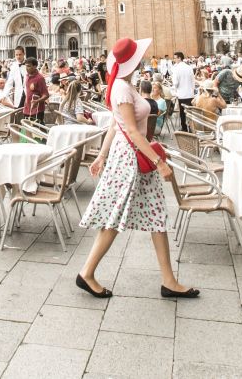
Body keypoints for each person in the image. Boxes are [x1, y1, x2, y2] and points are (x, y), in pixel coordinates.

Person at [77, 37, 197, 300]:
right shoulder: (121, 87)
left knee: (156, 217)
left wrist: (101, 155)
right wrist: (159, 162)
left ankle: (169, 280)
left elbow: (114, 124)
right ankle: (87, 273)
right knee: (114, 217)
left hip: (134, 153)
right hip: (131, 157)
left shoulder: (124, 85)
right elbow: (130, 129)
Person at [170, 52, 196, 132]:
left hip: (182, 94)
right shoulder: (189, 67)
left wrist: (174, 88)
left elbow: (175, 83)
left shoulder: (176, 68)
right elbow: (193, 80)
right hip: (190, 93)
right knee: (190, 113)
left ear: (179, 58)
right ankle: (192, 128)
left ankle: (184, 128)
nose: (174, 60)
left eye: (175, 58)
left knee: (183, 113)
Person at [4, 47, 27, 120]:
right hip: (19, 94)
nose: (18, 57)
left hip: (29, 94)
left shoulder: (29, 64)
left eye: (20, 54)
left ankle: (26, 131)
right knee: (18, 115)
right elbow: (9, 83)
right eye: (16, 55)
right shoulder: (13, 66)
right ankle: (19, 131)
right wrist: (4, 95)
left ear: (24, 54)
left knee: (28, 115)